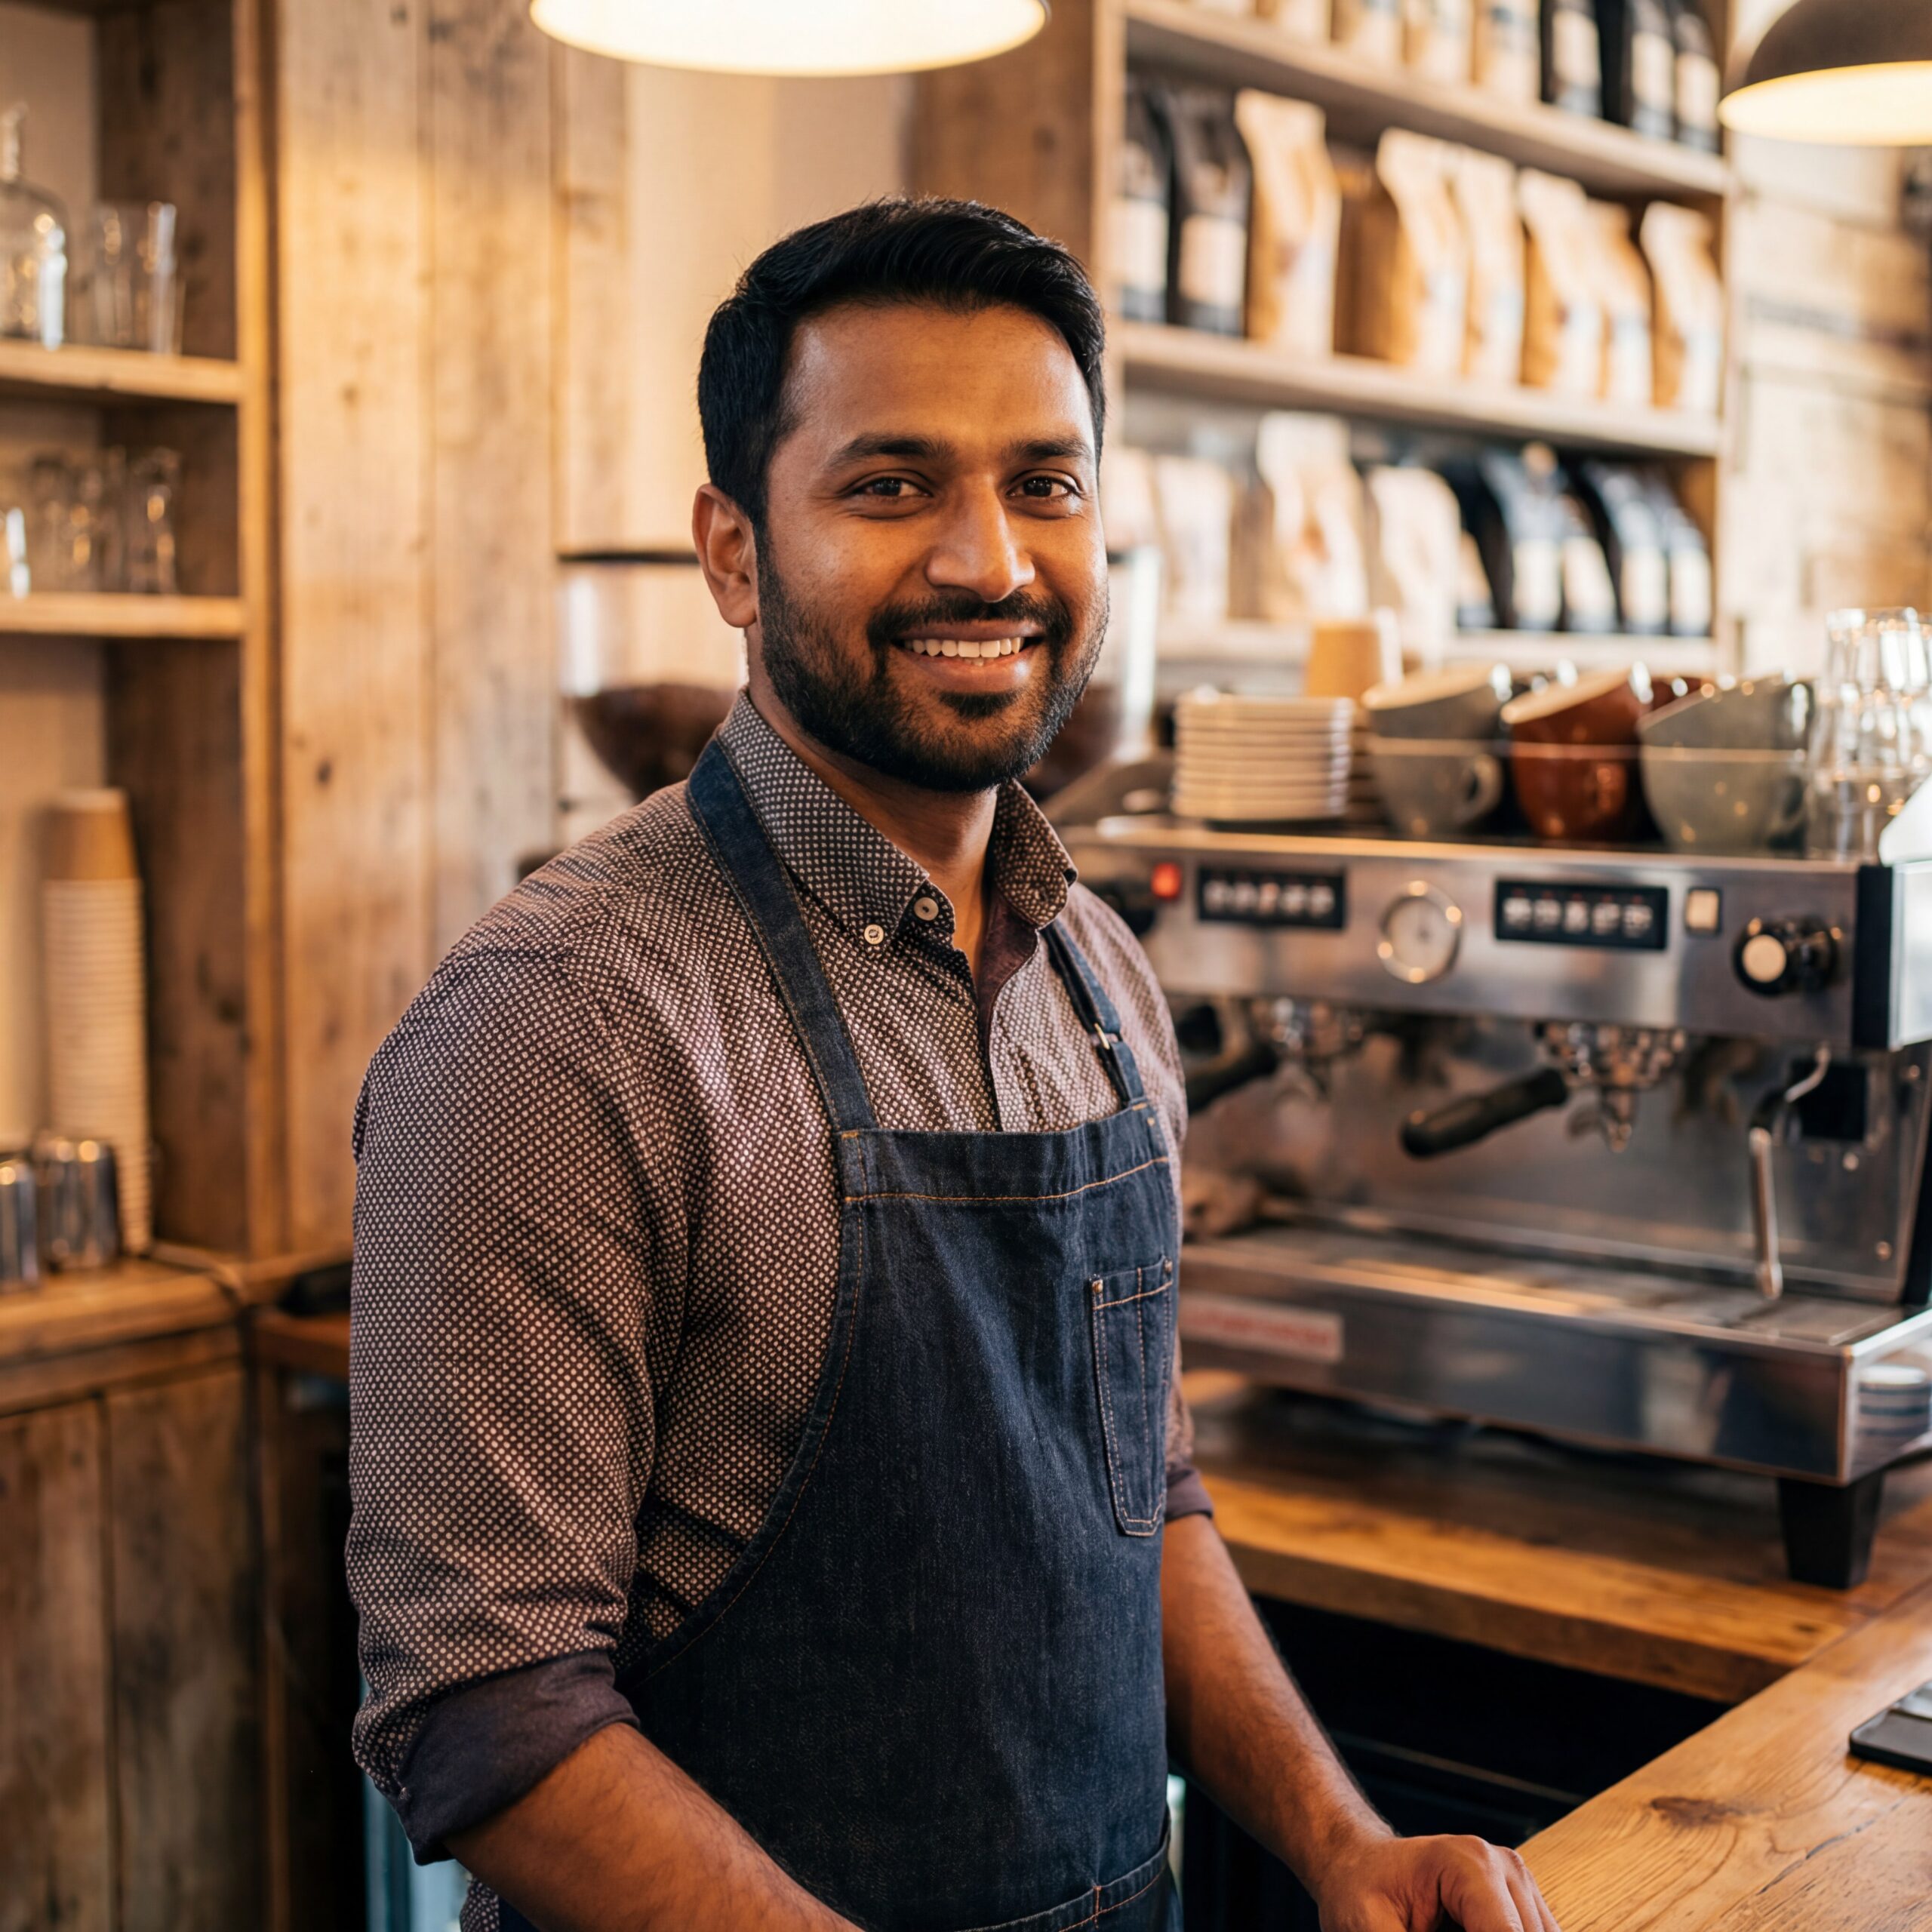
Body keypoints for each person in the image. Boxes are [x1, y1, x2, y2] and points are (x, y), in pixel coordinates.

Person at [347, 197, 1561, 1932]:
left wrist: (1336, 1839)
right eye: (889, 484)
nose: (987, 560)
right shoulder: (559, 1019)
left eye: (1044, 484)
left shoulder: (1100, 976)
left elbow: (1135, 1487)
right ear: (733, 551)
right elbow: (479, 1702)